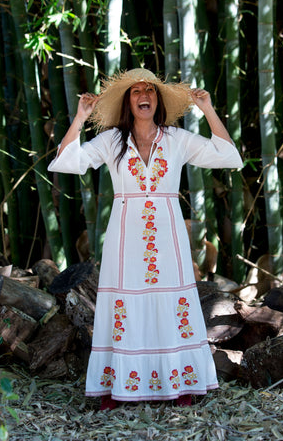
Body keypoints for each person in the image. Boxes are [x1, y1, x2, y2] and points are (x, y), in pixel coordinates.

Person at [48, 68, 243, 410]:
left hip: (169, 240)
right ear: (128, 101)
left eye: (150, 91)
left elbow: (228, 156)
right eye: (137, 90)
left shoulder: (177, 139)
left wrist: (208, 109)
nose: (144, 95)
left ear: (157, 100)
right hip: (126, 239)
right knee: (126, 303)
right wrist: (79, 118)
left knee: (170, 302)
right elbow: (68, 162)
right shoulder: (111, 141)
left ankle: (179, 386)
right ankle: (119, 387)